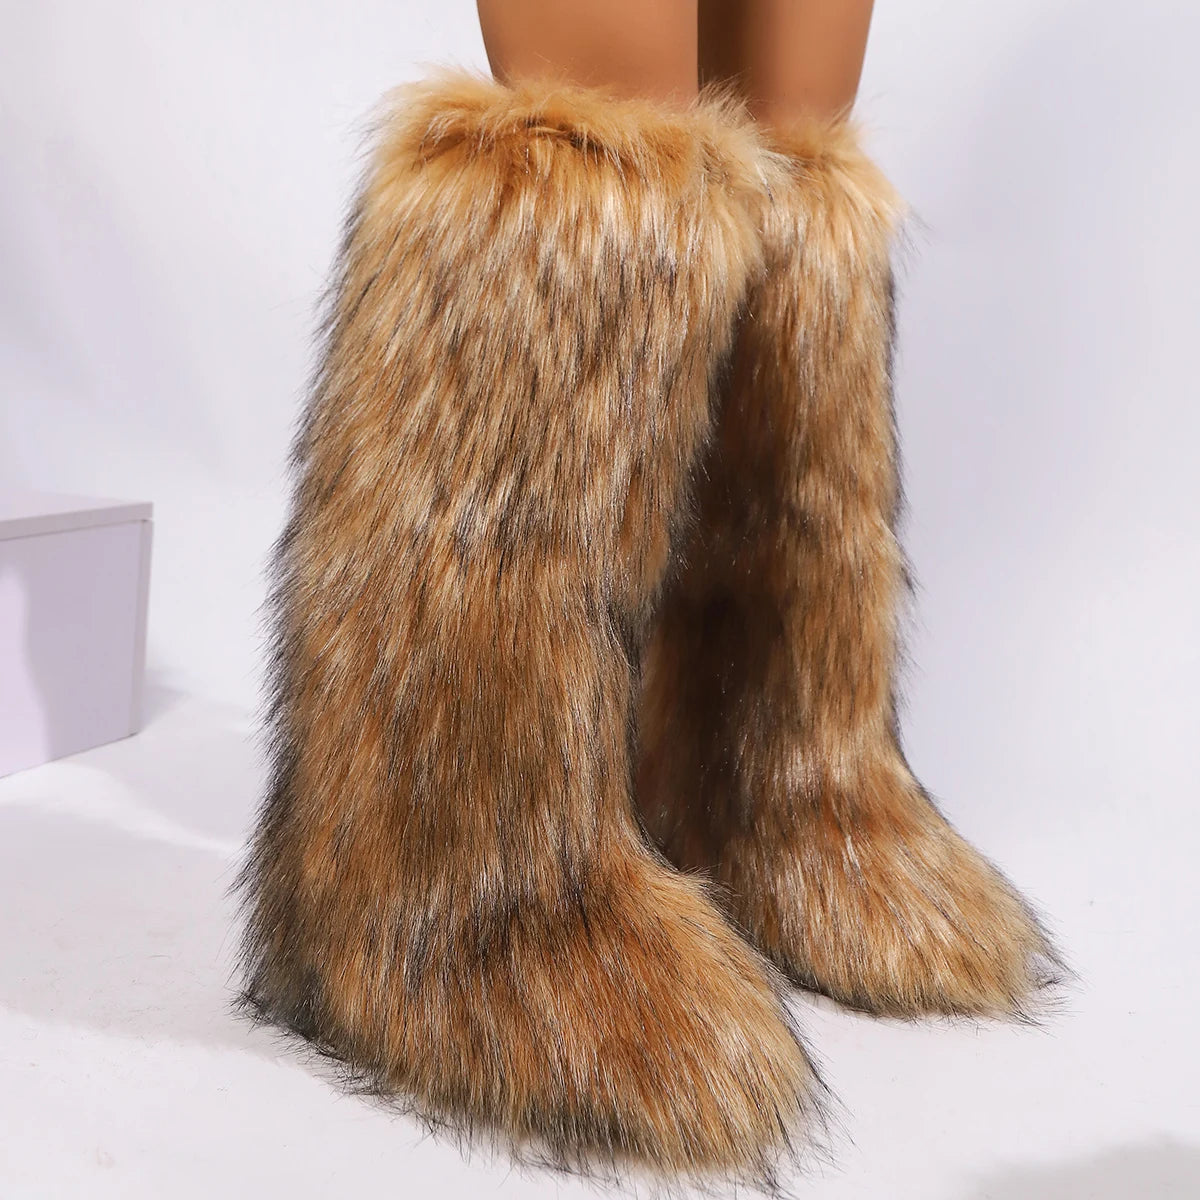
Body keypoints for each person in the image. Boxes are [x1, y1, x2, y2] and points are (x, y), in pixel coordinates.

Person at [238, 3, 1061, 1186]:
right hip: (452, 852)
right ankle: (448, 869)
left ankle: (766, 787)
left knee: (789, 132)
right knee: (600, 132)